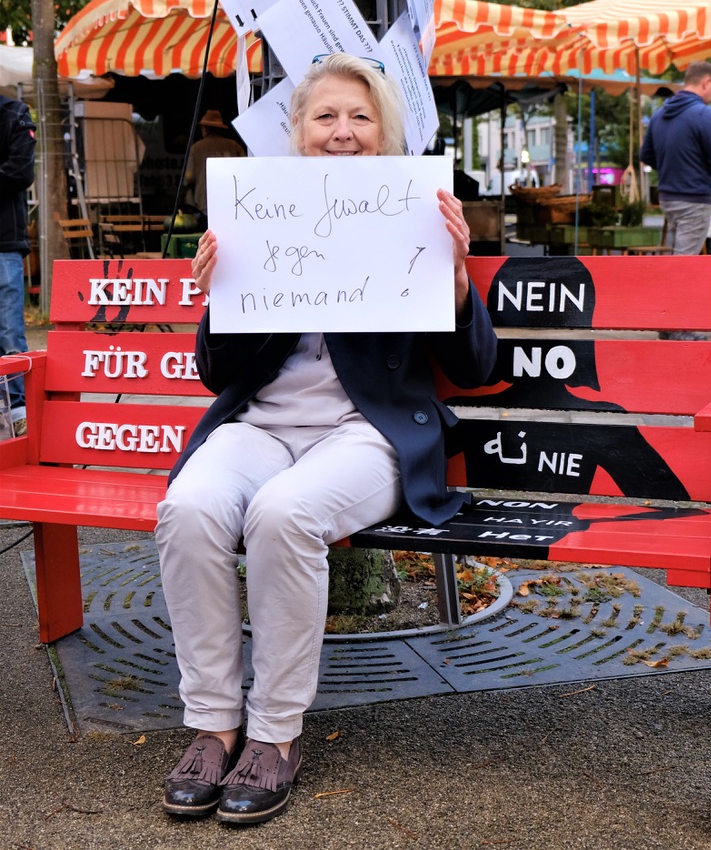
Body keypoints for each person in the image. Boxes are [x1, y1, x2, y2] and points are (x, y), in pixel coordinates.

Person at [156, 53, 498, 827]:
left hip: (365, 434)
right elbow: (218, 375)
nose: (342, 131)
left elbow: (476, 369)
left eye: (360, 116)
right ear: (298, 132)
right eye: (325, 117)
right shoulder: (260, 209)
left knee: (285, 515)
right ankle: (213, 723)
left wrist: (454, 279)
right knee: (190, 509)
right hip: (264, 424)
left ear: (383, 133)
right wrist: (218, 297)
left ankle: (275, 736)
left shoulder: (416, 207)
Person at [640, 61, 711, 340]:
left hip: (668, 197)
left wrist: (672, 166)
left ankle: (669, 326)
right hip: (694, 198)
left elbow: (647, 156)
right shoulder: (704, 114)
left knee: (677, 260)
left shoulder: (660, 115)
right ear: (706, 82)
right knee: (685, 265)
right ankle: (677, 329)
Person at [0, 95, 36, 438]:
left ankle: (21, 422)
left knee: (10, 337)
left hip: (4, 243)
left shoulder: (14, 113)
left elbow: (20, 172)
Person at [183, 109, 246, 228]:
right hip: (231, 204)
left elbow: (189, 177)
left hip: (203, 205)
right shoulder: (234, 146)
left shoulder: (196, 148)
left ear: (206, 129)